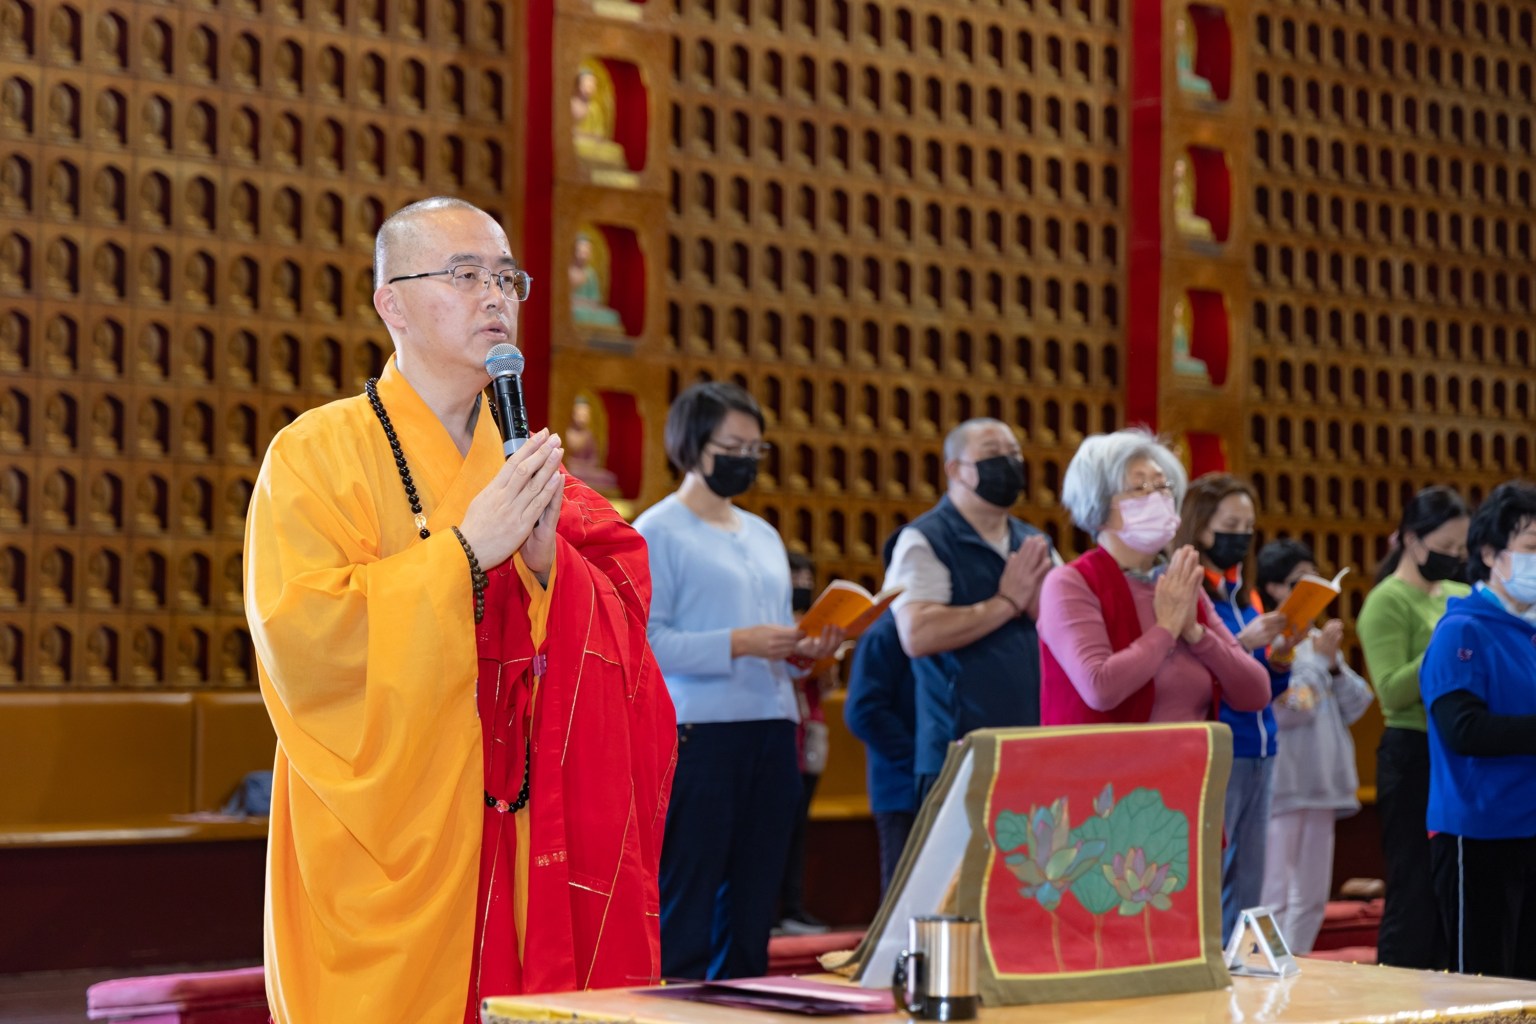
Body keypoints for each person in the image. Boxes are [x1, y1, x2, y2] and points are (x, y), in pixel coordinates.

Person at [244, 197, 677, 1024]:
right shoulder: (313, 455)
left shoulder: (529, 472)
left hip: (514, 833)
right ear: (391, 303)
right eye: (464, 274)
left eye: (506, 277)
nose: (494, 296)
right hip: (379, 837)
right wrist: (465, 554)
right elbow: (305, 642)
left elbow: (620, 612)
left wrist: (549, 564)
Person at [635, 381, 842, 980]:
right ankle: (675, 1009)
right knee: (691, 890)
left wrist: (808, 650)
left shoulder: (764, 535)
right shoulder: (659, 529)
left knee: (755, 899)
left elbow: (778, 634)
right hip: (702, 732)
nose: (746, 460)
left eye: (757, 449)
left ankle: (742, 1004)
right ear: (694, 444)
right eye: (734, 446)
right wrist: (740, 642)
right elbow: (649, 641)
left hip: (774, 727)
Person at [1036, 429, 1269, 729]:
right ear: (1100, 505)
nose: (1157, 497)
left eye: (1162, 486)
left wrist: (1197, 634)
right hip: (1103, 771)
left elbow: (1255, 693)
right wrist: (1167, 629)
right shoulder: (1070, 583)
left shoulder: (1178, 582)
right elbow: (1100, 688)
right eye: (1139, 488)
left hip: (1188, 767)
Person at [884, 417, 1052, 801]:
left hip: (1032, 742)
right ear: (956, 469)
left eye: (1014, 454)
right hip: (958, 750)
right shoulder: (925, 539)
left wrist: (1038, 603)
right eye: (993, 454)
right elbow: (917, 634)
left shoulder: (1033, 540)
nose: (1009, 463)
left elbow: (1060, 624)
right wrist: (1006, 603)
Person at [1420, 481, 1536, 980]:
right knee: (1482, 983)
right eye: (1531, 548)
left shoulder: (1528, 631)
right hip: (1478, 830)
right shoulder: (1462, 630)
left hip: (1529, 825)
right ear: (1490, 553)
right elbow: (1464, 730)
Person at [1173, 473, 1293, 943]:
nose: (1241, 535)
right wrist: (1243, 644)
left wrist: (1280, 656)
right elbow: (1189, 671)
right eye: (1230, 523)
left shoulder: (1244, 595)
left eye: (1248, 525)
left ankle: (1240, 966)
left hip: (1263, 746)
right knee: (1212, 870)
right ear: (1200, 526)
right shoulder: (1189, 591)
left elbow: (1262, 683)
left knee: (1249, 877)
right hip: (1220, 746)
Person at [1355, 485, 1470, 970]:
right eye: (1444, 549)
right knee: (1414, 889)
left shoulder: (1461, 595)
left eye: (1461, 550)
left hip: (1461, 751)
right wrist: (1448, 650)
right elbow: (1392, 691)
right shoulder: (1387, 601)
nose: (1454, 559)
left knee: (1454, 889)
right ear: (1410, 540)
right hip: (1412, 752)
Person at [1255, 539, 1374, 955]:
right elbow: (1293, 708)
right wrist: (1320, 664)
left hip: (1324, 784)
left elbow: (1358, 704)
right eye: (1297, 584)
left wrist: (1336, 664)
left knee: (1311, 895)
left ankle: (1296, 964)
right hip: (1284, 787)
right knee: (1275, 891)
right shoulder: (1268, 643)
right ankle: (1264, 970)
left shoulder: (1318, 642)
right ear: (1273, 588)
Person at [843, 534, 918, 895]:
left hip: (924, 781)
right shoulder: (886, 632)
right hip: (902, 785)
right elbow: (863, 710)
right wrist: (919, 757)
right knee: (904, 895)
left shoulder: (930, 623)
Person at [776, 550, 832, 936]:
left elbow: (826, 688)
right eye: (794, 577)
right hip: (780, 737)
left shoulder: (813, 626)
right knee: (774, 829)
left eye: (807, 578)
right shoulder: (775, 624)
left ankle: (792, 905)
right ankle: (773, 910)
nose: (802, 585)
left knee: (798, 829)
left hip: (808, 735)